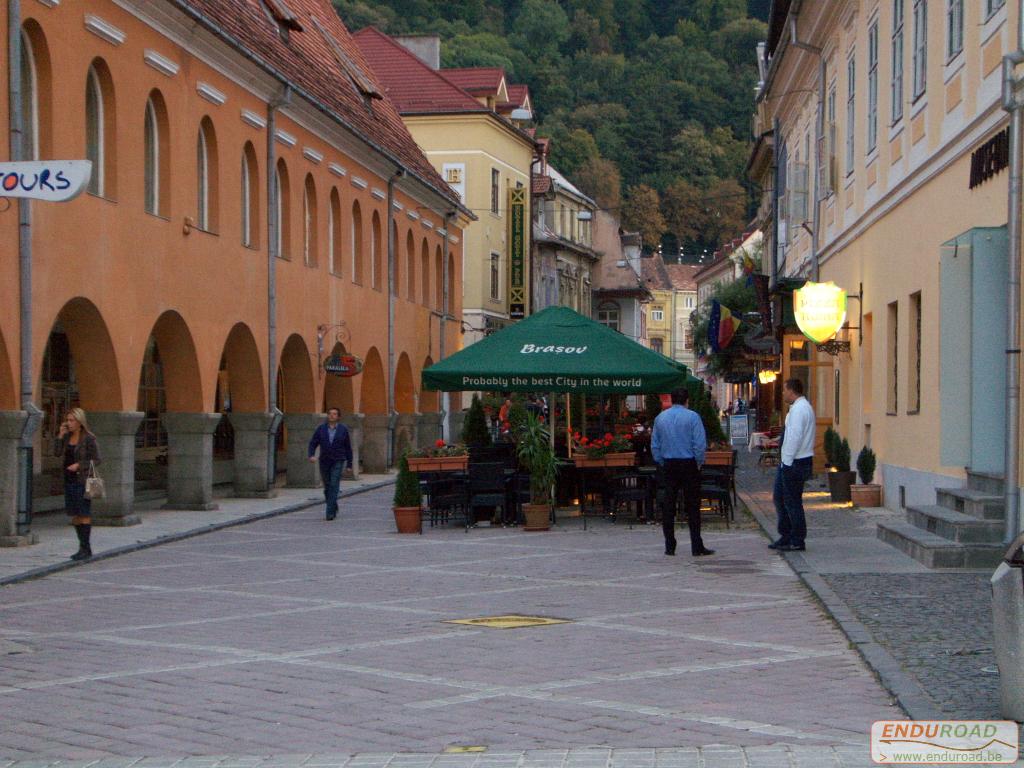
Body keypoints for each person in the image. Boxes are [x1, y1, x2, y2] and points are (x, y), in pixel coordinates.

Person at [651, 387, 714, 557]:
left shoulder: (660, 418)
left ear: (671, 399)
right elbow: (699, 444)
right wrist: (699, 462)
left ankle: (669, 545)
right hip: (689, 464)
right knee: (693, 506)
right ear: (687, 400)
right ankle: (696, 545)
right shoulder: (693, 417)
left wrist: (661, 461)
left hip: (669, 464)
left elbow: (655, 445)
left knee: (668, 506)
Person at [771, 378, 816, 551]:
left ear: (791, 390)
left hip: (795, 461)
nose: (783, 393)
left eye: (784, 390)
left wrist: (786, 461)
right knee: (781, 498)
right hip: (794, 460)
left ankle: (796, 538)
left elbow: (795, 437)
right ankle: (787, 534)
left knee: (792, 501)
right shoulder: (800, 408)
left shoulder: (800, 410)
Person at [55, 408, 101, 561]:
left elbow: (97, 460)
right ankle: (81, 546)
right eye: (67, 420)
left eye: (72, 420)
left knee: (83, 513)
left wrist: (79, 465)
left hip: (82, 480)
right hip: (69, 479)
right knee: (74, 514)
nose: (69, 423)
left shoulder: (89, 438)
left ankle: (86, 548)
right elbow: (57, 453)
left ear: (80, 422)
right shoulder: (67, 437)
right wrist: (60, 436)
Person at [308, 407, 353, 521]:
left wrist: (349, 464)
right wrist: (311, 455)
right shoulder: (321, 429)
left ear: (338, 417)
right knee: (327, 486)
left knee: (334, 484)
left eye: (334, 414)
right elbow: (313, 443)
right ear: (327, 416)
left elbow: (348, 447)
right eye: (330, 414)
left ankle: (329, 512)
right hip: (324, 460)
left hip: (338, 460)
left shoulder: (343, 429)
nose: (332, 416)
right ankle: (333, 504)